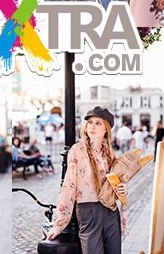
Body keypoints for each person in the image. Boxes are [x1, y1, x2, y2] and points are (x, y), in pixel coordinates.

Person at [48, 107, 123, 251]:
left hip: (111, 210)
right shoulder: (77, 150)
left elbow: (118, 180)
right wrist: (59, 223)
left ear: (106, 129)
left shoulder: (110, 153)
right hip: (88, 209)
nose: (92, 126)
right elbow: (68, 185)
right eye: (90, 122)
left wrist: (122, 188)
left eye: (98, 123)